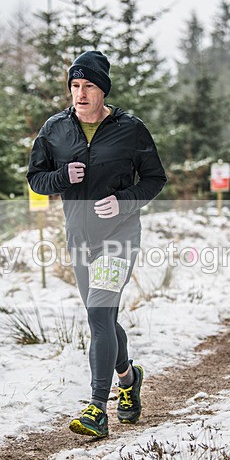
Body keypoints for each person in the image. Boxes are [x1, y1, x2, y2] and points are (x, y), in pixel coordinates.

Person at [27, 51, 167, 438]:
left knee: (99, 315)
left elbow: (155, 179)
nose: (80, 93)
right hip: (79, 236)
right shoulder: (55, 129)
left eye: (88, 85)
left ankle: (96, 407)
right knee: (102, 317)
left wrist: (125, 201)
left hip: (119, 237)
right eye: (75, 85)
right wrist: (60, 177)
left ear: (102, 89)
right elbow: (35, 178)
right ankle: (129, 377)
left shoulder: (131, 129)